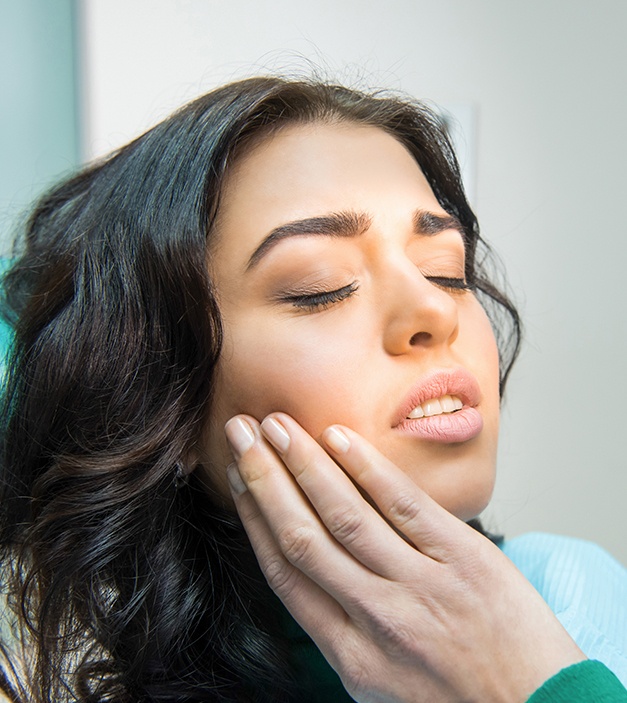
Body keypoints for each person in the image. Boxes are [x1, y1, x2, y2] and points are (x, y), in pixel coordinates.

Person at [0, 76, 624, 702]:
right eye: (319, 286)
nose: (434, 308)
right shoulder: (68, 674)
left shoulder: (582, 596)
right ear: (167, 406)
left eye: (446, 270)